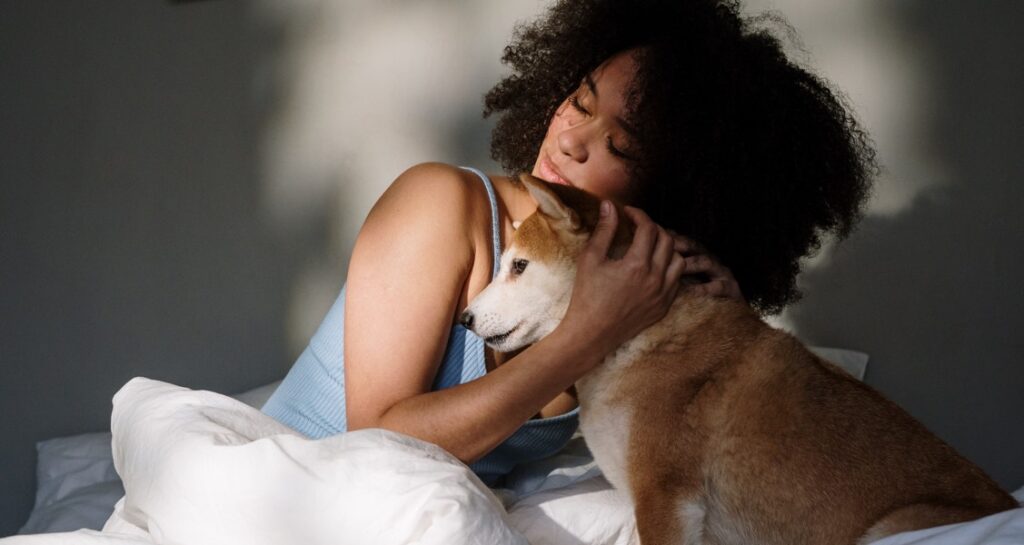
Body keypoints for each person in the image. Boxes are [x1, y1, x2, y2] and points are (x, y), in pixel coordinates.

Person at [262, 0, 876, 487]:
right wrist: (589, 334)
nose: (571, 140)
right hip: (290, 500)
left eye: (621, 146)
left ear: (677, 192)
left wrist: (718, 329)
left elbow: (704, 468)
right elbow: (375, 447)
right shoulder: (439, 204)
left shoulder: (639, 296)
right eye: (578, 102)